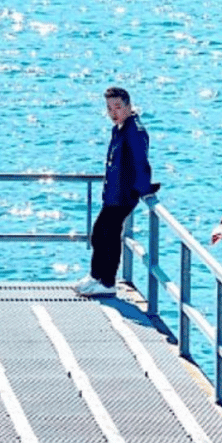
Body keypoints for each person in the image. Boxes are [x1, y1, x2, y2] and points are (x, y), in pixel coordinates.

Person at [76, 87, 156, 297]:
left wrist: (145, 189)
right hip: (112, 193)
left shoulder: (135, 131)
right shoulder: (119, 129)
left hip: (123, 195)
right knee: (98, 234)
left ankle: (108, 281)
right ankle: (96, 275)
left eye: (118, 107)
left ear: (129, 106)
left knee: (109, 236)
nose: (113, 112)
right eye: (109, 108)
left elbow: (141, 162)